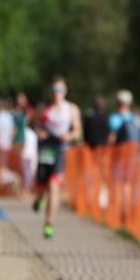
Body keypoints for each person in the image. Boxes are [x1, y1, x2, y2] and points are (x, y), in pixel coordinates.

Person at [32, 77, 82, 240]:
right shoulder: (44, 108)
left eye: (60, 90)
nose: (57, 93)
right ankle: (39, 200)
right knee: (41, 187)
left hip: (60, 150)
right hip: (45, 150)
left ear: (65, 92)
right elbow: (33, 124)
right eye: (54, 90)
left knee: (54, 186)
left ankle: (49, 225)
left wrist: (69, 136)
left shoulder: (71, 109)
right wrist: (39, 132)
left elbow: (78, 132)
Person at [20, 118, 38, 201]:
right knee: (29, 173)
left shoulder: (26, 133)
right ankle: (27, 190)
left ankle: (26, 190)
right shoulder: (33, 134)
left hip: (27, 155)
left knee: (27, 173)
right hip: (31, 155)